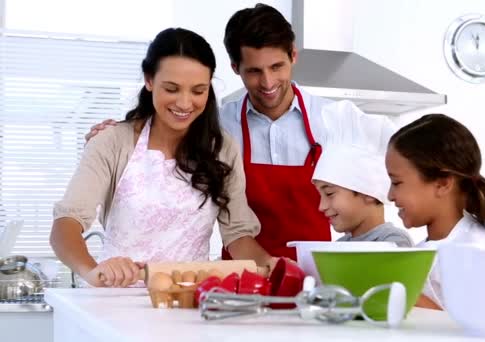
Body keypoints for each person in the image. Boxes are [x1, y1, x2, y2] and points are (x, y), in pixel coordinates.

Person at [86, 4, 385, 261]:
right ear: (234, 67)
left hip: (315, 273)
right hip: (240, 277)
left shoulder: (334, 119)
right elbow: (162, 132)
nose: (268, 82)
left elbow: (398, 164)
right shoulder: (216, 127)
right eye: (254, 71)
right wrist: (117, 136)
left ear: (293, 56)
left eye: (277, 66)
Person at [50, 28, 276, 288]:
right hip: (115, 301)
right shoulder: (112, 142)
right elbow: (66, 224)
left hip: (188, 303)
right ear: (149, 80)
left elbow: (237, 235)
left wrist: (269, 263)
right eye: (172, 88)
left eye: (198, 91)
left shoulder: (222, 149)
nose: (184, 103)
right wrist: (92, 271)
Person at [386, 113, 485, 309]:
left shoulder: (481, 252)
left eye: (396, 182)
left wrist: (399, 293)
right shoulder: (422, 252)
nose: (390, 195)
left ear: (443, 184)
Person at [311, 101, 413, 246]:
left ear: (368, 193)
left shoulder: (393, 241)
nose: (321, 206)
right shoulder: (340, 245)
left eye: (329, 193)